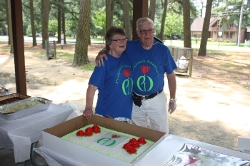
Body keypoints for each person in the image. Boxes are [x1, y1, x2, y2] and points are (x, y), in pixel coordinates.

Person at [96, 17, 177, 133]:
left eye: (150, 30)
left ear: (154, 31)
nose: (147, 34)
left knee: (161, 134)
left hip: (156, 100)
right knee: (136, 133)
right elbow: (113, 45)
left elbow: (171, 75)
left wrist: (173, 99)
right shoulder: (130, 46)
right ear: (138, 33)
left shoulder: (163, 50)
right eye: (143, 31)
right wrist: (101, 52)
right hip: (136, 101)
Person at [83, 26, 133, 123]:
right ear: (110, 44)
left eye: (124, 39)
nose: (123, 42)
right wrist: (88, 108)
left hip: (125, 114)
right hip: (107, 114)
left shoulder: (127, 55)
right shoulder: (104, 61)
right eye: (118, 40)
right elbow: (92, 87)